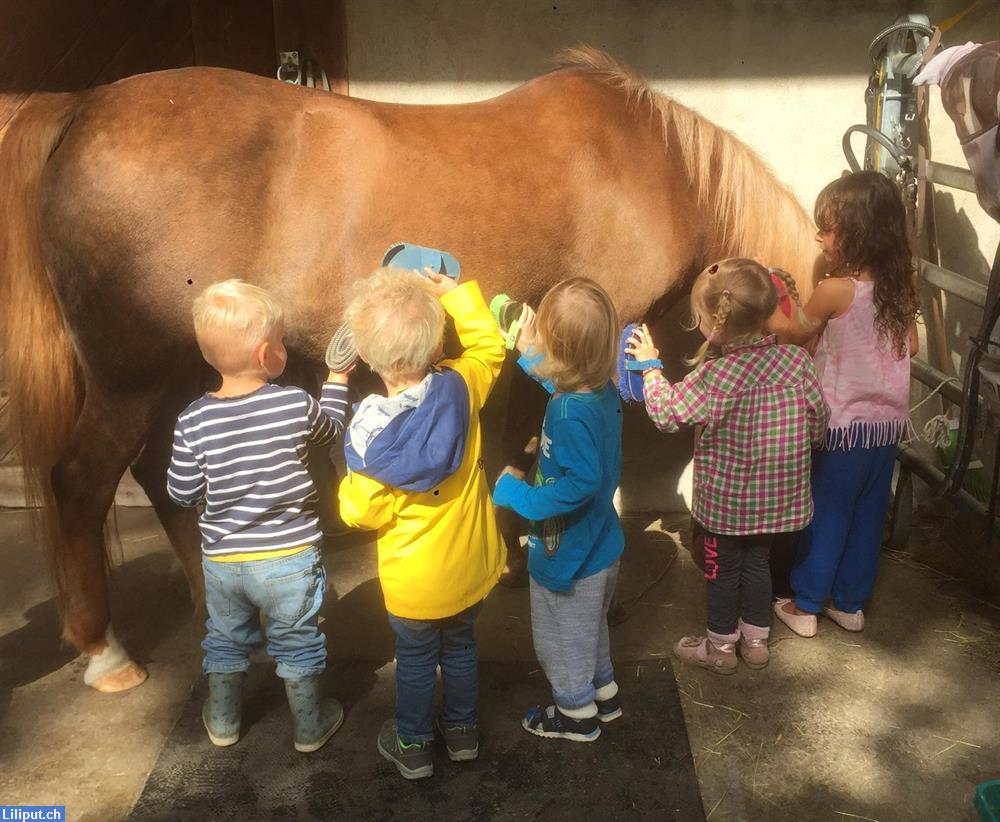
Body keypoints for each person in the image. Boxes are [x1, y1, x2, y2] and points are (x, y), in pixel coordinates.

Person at [167, 279, 351, 752]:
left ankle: (225, 722)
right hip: (290, 555)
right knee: (298, 641)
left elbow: (182, 492)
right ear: (269, 354)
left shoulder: (192, 420)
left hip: (225, 561)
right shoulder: (294, 403)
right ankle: (309, 728)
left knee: (226, 639)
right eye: (284, 343)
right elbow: (330, 429)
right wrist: (338, 381)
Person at [338, 266, 506, 780]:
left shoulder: (371, 437)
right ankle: (462, 734)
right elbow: (490, 347)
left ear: (366, 357)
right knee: (460, 650)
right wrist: (455, 294)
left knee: (414, 663)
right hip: (472, 570)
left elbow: (361, 511)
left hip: (413, 588)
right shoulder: (461, 383)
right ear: (436, 347)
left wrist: (350, 488)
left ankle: (412, 744)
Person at [628, 259, 829, 674]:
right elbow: (818, 420)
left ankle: (720, 649)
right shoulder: (796, 362)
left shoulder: (715, 376)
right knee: (758, 566)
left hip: (726, 509)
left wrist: (650, 367)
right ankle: (756, 642)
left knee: (722, 573)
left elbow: (666, 413)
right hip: (777, 503)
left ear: (713, 323)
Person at [771, 170, 919, 637]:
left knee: (828, 513)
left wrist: (767, 301)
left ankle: (808, 604)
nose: (819, 234)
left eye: (828, 227)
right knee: (867, 515)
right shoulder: (898, 289)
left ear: (857, 232)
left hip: (843, 427)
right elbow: (911, 346)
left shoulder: (836, 289)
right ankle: (850, 604)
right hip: (885, 426)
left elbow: (795, 332)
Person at [492, 278, 624, 742]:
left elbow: (580, 484)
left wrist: (518, 496)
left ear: (561, 352)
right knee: (591, 628)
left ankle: (575, 713)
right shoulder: (599, 392)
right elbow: (558, 380)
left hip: (570, 554)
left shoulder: (568, 412)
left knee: (560, 637)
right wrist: (527, 351)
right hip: (601, 546)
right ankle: (603, 691)